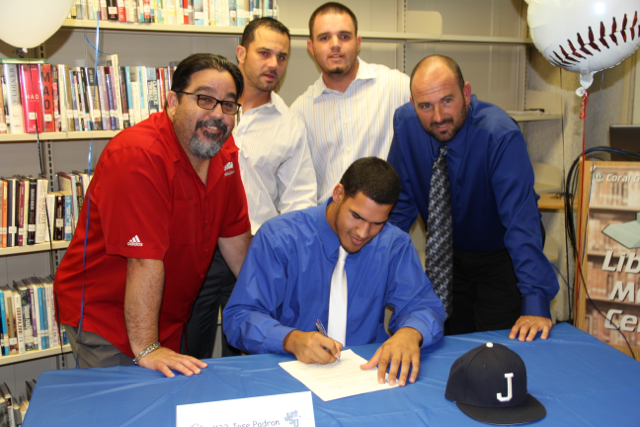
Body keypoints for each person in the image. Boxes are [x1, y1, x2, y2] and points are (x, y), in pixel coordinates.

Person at [54, 53, 252, 377]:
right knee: (125, 410)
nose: (217, 114)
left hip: (167, 315)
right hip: (107, 318)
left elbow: (236, 243)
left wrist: (269, 316)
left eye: (228, 105)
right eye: (205, 99)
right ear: (172, 101)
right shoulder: (138, 156)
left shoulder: (224, 153)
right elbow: (144, 260)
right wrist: (147, 347)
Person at [224, 157, 445, 387]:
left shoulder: (393, 244)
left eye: (377, 223)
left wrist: (410, 332)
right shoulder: (280, 238)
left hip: (368, 376)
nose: (363, 232)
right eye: (356, 216)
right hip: (290, 374)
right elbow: (240, 316)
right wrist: (290, 339)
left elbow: (424, 305)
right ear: (338, 193)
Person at [387, 55, 559, 342]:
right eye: (425, 106)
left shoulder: (499, 135)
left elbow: (521, 222)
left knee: (494, 349)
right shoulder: (406, 125)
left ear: (466, 93)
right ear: (412, 102)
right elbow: (399, 205)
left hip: (502, 257)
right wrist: (373, 264)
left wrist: (535, 302)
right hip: (448, 258)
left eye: (447, 100)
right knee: (447, 344)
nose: (438, 116)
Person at [183, 18, 317, 360]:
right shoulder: (200, 106)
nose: (273, 64)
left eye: (282, 57)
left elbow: (299, 199)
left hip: (253, 253)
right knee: (187, 347)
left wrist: (286, 260)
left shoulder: (289, 125)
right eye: (264, 53)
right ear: (241, 53)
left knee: (248, 350)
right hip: (195, 249)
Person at [290, 2, 410, 203]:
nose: (335, 44)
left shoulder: (397, 86)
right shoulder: (300, 111)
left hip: (384, 224)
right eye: (324, 37)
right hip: (327, 226)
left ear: (358, 42)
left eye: (344, 36)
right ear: (311, 47)